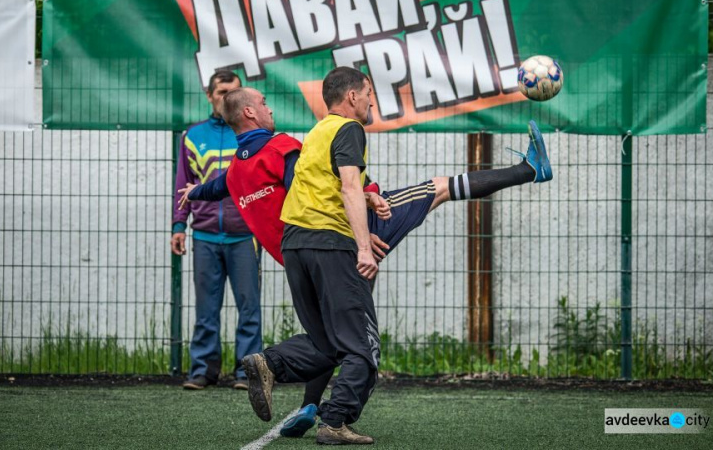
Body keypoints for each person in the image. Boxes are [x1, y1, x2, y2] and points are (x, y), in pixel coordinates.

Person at [179, 79, 552, 442]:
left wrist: (195, 191)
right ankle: (528, 171)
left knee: (328, 339)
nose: (269, 106)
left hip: (295, 250)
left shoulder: (243, 166)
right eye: (263, 102)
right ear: (249, 112)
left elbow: (222, 185)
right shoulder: (286, 145)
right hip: (338, 236)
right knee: (436, 189)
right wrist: (363, 227)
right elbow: (319, 186)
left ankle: (304, 400)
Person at [171, 69, 262, 391]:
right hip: (205, 235)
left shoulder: (252, 134)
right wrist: (179, 224)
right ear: (210, 95)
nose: (227, 98)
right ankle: (202, 371)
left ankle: (247, 373)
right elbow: (184, 184)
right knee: (205, 310)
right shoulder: (192, 136)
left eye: (234, 92)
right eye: (222, 92)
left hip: (245, 236)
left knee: (249, 308)